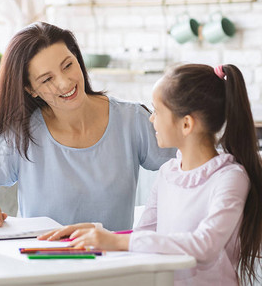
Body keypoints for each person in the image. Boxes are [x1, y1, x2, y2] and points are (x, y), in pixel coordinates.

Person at [0, 22, 174, 231]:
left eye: (68, 65)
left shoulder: (132, 120)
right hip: (43, 271)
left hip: (114, 267)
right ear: (30, 89)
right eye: (47, 79)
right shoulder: (20, 137)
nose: (64, 82)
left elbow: (195, 161)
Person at [40, 64, 262, 285]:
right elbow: (143, 235)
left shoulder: (230, 178)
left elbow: (205, 246)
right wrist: (99, 233)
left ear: (186, 124)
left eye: (157, 111)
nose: (151, 119)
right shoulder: (168, 172)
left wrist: (114, 241)